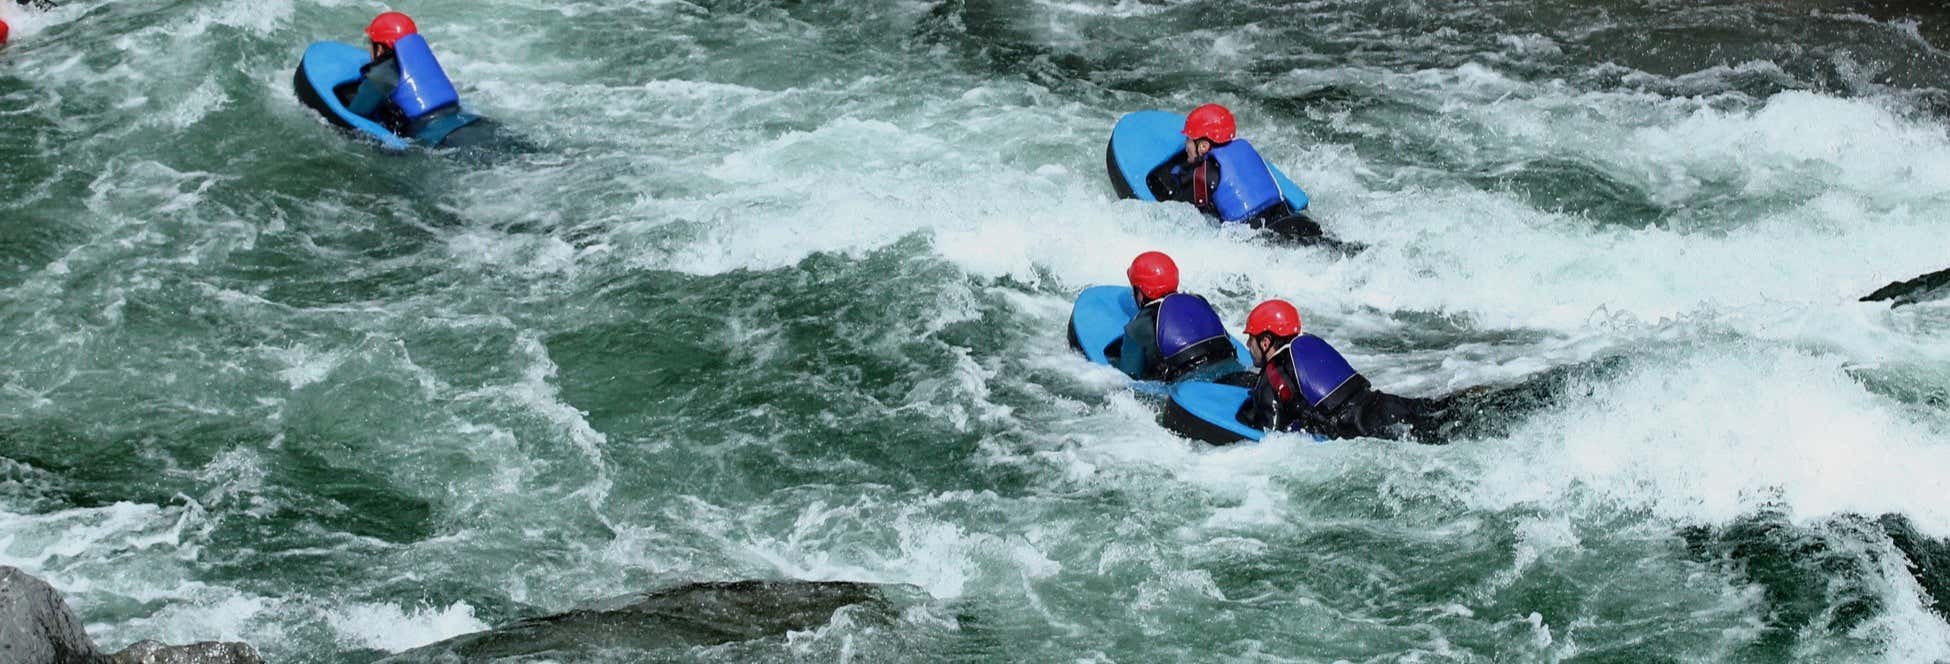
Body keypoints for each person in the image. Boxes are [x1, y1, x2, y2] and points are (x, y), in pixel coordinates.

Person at [1241, 299, 1452, 443]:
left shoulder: (1272, 375)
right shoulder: (1310, 345)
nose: (1248, 345)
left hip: (1361, 429)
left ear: (1266, 342)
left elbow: (1270, 437)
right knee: (1447, 415)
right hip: (1384, 404)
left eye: (1251, 338)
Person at [1144, 104, 1325, 240]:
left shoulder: (1205, 174)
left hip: (1266, 240)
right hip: (1295, 221)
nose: (1186, 145)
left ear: (1203, 146)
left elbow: (1175, 209)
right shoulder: (1245, 148)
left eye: (1189, 140)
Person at [1115, 251, 1250, 383]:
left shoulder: (1138, 325)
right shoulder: (1198, 300)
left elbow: (1130, 375)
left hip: (1189, 383)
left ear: (1140, 292)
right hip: (1230, 364)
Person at [344, 12, 477, 146]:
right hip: (469, 122)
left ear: (379, 49)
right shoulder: (424, 61)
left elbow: (355, 113)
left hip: (439, 139)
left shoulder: (384, 73)